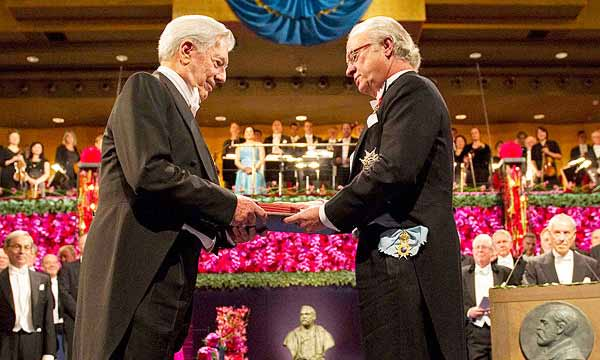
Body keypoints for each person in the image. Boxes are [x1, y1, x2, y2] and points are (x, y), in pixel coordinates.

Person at [73, 15, 266, 360]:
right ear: (187, 51)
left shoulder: (182, 112)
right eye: (218, 63)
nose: (222, 77)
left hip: (164, 279)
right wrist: (229, 205)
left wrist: (224, 230)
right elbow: (151, 174)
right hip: (138, 283)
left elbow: (182, 201)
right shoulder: (146, 87)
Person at [285, 16, 466, 359]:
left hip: (408, 263)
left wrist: (327, 213)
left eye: (355, 56)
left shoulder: (412, 90)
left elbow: (393, 171)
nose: (350, 69)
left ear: (388, 47)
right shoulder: (391, 105)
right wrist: (327, 207)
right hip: (392, 264)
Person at [0, 231, 56, 360]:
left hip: (34, 342)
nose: (22, 251)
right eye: (17, 246)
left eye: (26, 247)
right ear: (6, 250)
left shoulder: (42, 279)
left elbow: (48, 318)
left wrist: (49, 352)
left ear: (31, 251)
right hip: (5, 343)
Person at [462, 234, 511, 360]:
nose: (480, 250)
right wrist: (468, 312)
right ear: (472, 251)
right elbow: (455, 302)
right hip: (474, 333)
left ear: (492, 252)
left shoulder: (505, 273)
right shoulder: (462, 274)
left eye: (484, 247)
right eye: (476, 247)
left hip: (500, 330)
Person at [524, 214, 599, 285]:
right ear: (550, 235)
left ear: (573, 236)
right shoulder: (534, 265)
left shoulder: (590, 265)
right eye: (557, 233)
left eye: (566, 233)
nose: (562, 238)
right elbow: (527, 295)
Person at [58, 234, 86, 359]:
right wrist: (80, 313)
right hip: (74, 320)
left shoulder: (101, 266)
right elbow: (64, 293)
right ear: (80, 247)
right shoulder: (68, 268)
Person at [41, 254, 66, 360]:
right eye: (48, 263)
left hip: (63, 327)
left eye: (54, 262)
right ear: (42, 266)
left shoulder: (65, 282)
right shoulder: (39, 283)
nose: (52, 265)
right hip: (47, 329)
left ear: (59, 265)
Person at [234, 127, 266, 195]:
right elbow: (236, 161)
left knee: (256, 194)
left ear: (254, 134)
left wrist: (253, 169)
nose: (248, 133)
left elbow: (262, 159)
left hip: (256, 171)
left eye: (250, 131)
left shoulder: (259, 145)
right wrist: (244, 168)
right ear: (244, 134)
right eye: (247, 132)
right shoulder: (239, 146)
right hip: (243, 171)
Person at [221, 122, 245, 188]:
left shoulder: (243, 141)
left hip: (239, 166)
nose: (234, 130)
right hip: (228, 167)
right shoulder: (226, 142)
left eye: (236, 128)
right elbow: (223, 154)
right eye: (233, 128)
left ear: (239, 130)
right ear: (230, 130)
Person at [333, 123, 357, 187]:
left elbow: (359, 156)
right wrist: (337, 160)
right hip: (341, 171)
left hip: (351, 170)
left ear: (350, 130)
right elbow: (333, 160)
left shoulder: (356, 142)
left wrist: (351, 160)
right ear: (342, 130)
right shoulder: (338, 144)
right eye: (344, 129)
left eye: (347, 128)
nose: (346, 130)